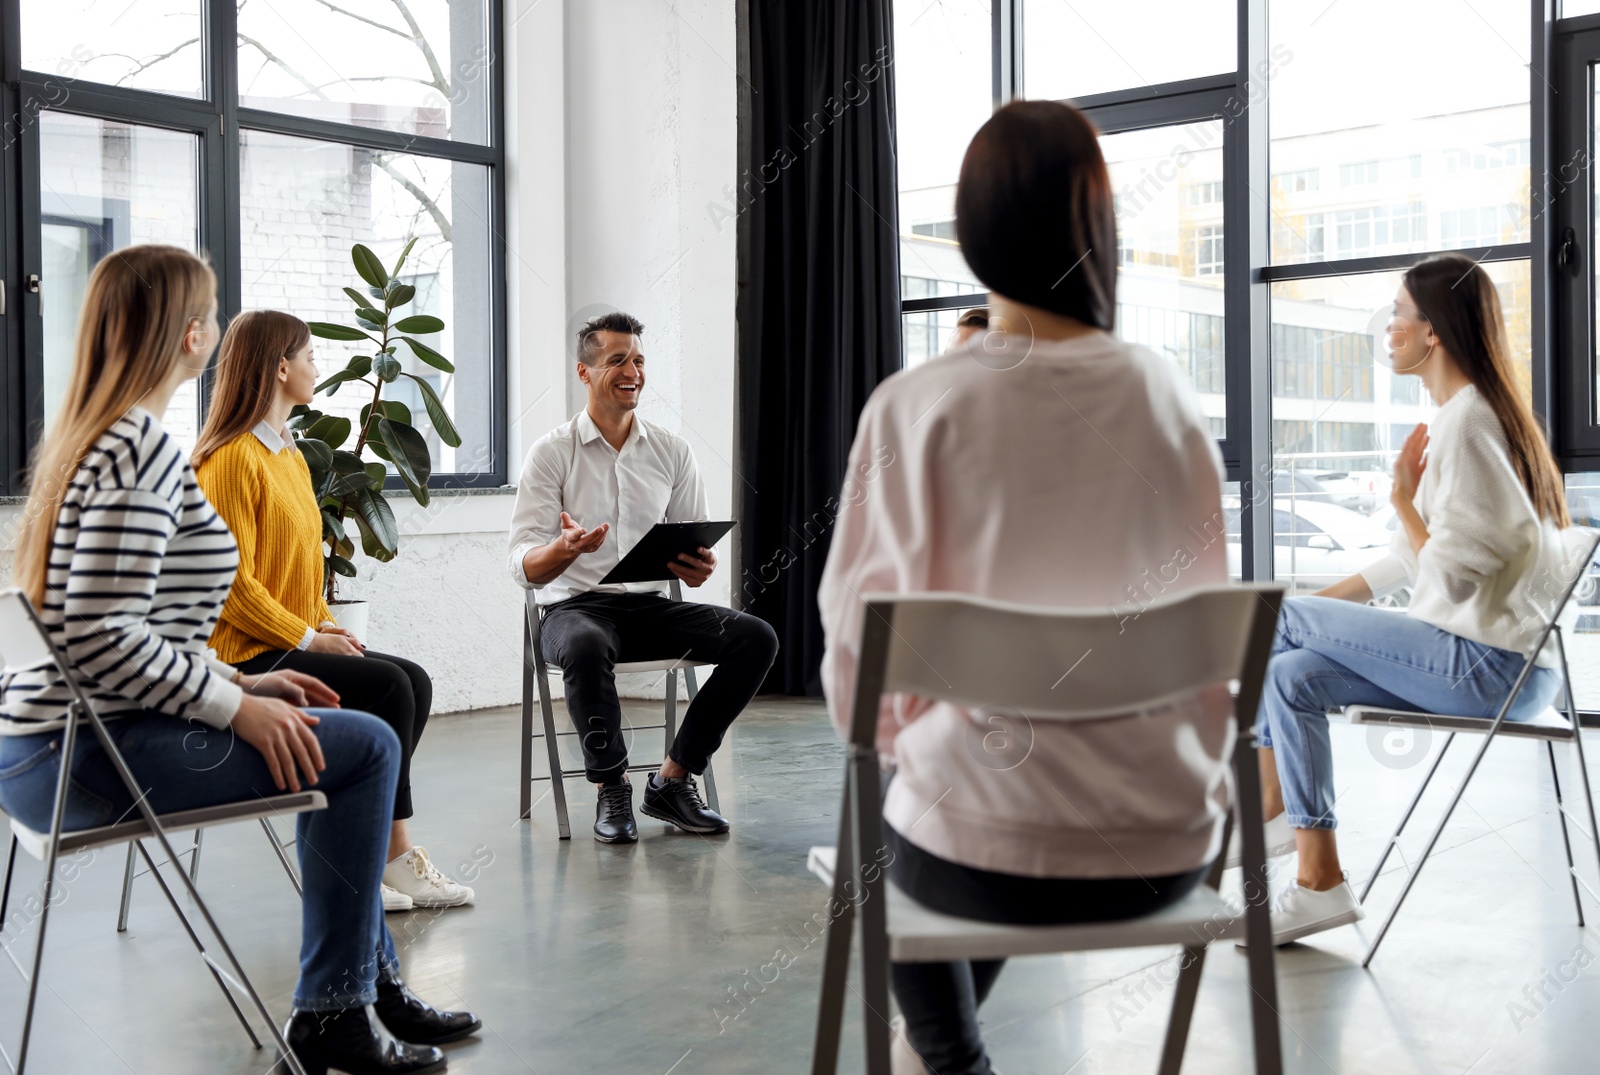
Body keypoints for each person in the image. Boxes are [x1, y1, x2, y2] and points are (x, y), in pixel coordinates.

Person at [818, 101, 1233, 1075]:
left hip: (980, 862)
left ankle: (951, 1061)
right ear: (1097, 223)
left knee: (931, 782)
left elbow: (853, 661)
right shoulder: (1165, 393)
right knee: (980, 769)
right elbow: (1207, 630)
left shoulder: (915, 405)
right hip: (1167, 851)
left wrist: (908, 732)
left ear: (972, 227)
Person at [0, 246, 479, 1074]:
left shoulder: (99, 438)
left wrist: (241, 677)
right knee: (366, 747)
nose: (218, 332)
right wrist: (238, 707)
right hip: (82, 756)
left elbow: (127, 632)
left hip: (54, 744)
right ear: (189, 334)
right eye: (213, 313)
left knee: (349, 726)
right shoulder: (139, 449)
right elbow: (101, 637)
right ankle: (337, 1009)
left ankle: (368, 987)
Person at [1249, 252, 1592, 946]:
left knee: (1271, 619)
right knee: (1290, 670)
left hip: (1489, 668)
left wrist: (1404, 500)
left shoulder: (1467, 425)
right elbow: (1415, 558)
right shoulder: (1471, 416)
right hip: (1516, 672)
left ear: (1433, 331)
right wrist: (1312, 609)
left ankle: (1268, 810)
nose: (1389, 329)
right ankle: (1319, 879)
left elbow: (1456, 574)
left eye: (1398, 315)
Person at [192, 310, 474, 914]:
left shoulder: (289, 453)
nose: (318, 367)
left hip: (291, 638)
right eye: (311, 356)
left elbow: (297, 569)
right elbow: (231, 585)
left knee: (412, 682)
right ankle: (376, 857)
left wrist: (322, 623)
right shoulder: (229, 460)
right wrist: (308, 638)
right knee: (390, 688)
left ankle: (386, 856)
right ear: (280, 367)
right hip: (245, 655)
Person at [507, 311, 779, 843]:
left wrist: (700, 567)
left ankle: (672, 781)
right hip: (572, 610)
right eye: (617, 360)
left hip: (650, 607)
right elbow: (521, 564)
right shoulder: (551, 453)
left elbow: (692, 556)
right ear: (584, 373)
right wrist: (562, 551)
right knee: (585, 643)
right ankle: (612, 788)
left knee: (756, 637)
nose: (632, 370)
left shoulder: (672, 451)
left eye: (638, 360)